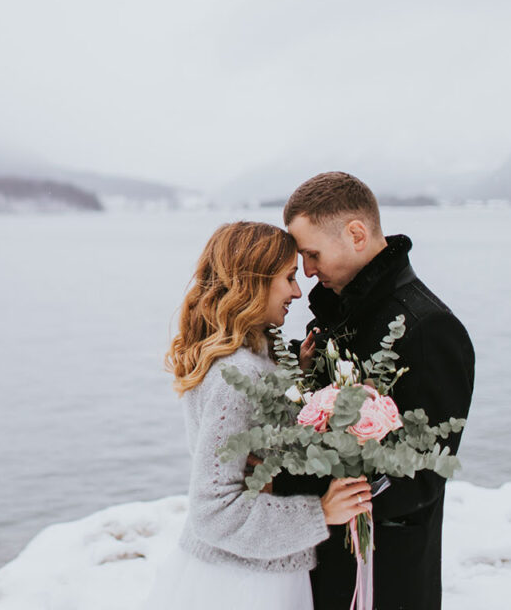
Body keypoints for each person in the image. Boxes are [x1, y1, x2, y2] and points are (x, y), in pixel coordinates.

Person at [143, 221, 373, 610]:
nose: (298, 292)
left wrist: (292, 378)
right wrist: (319, 513)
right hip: (245, 584)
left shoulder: (250, 360)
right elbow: (213, 511)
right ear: (253, 282)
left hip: (251, 569)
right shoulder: (237, 376)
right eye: (288, 278)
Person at [280, 172, 475, 610]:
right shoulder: (342, 310)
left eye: (312, 254)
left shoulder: (429, 328)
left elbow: (423, 471)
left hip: (385, 574)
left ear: (356, 234)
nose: (307, 270)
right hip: (326, 557)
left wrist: (304, 489)